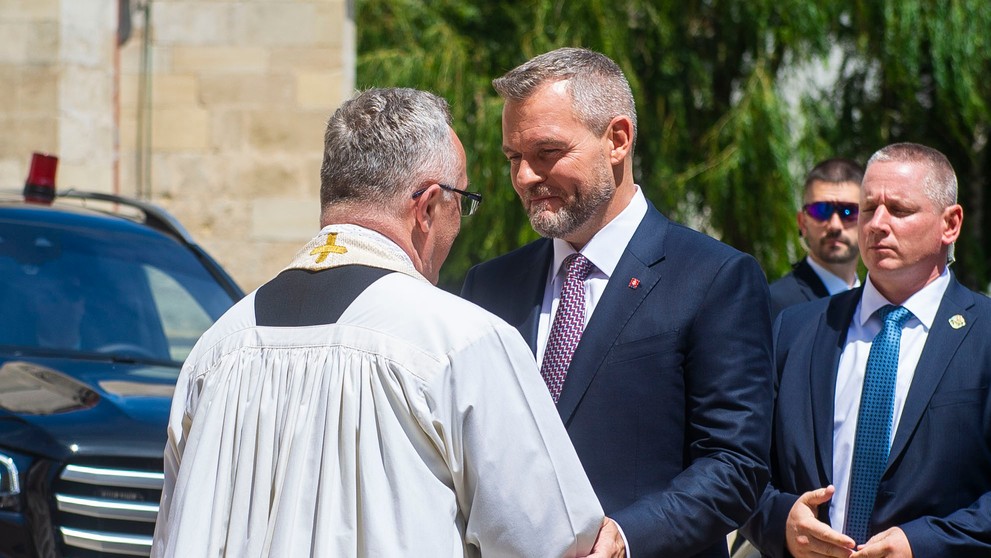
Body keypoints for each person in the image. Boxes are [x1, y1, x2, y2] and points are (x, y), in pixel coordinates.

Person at [151, 87, 606, 557]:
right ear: (427, 207)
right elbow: (555, 543)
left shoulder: (215, 349)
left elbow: (170, 535)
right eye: (462, 201)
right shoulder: (460, 342)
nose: (459, 222)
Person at [461, 47, 774, 558]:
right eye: (513, 158)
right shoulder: (489, 287)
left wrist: (628, 536)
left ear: (618, 140)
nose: (524, 178)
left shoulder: (713, 278)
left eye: (546, 152)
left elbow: (735, 466)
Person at [739, 142, 991, 557]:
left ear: (950, 224)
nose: (877, 224)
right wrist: (780, 522)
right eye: (869, 208)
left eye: (900, 210)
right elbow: (740, 461)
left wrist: (923, 544)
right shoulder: (797, 329)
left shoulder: (983, 334)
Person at [769, 158, 864, 320]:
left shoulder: (880, 305)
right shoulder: (774, 306)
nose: (834, 225)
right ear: (802, 222)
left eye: (849, 211)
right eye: (821, 210)